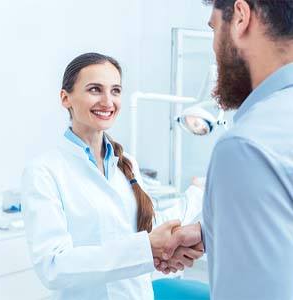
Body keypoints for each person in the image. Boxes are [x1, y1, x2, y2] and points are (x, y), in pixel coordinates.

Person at [21, 52, 203, 300]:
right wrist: (147, 249)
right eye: (95, 89)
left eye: (115, 90)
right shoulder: (44, 171)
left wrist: (195, 198)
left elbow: (145, 229)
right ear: (66, 98)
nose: (108, 101)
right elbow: (54, 266)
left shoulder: (126, 162)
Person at [162, 0, 293, 299]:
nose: (214, 47)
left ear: (241, 18)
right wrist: (213, 231)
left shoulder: (247, 147)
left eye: (213, 28)